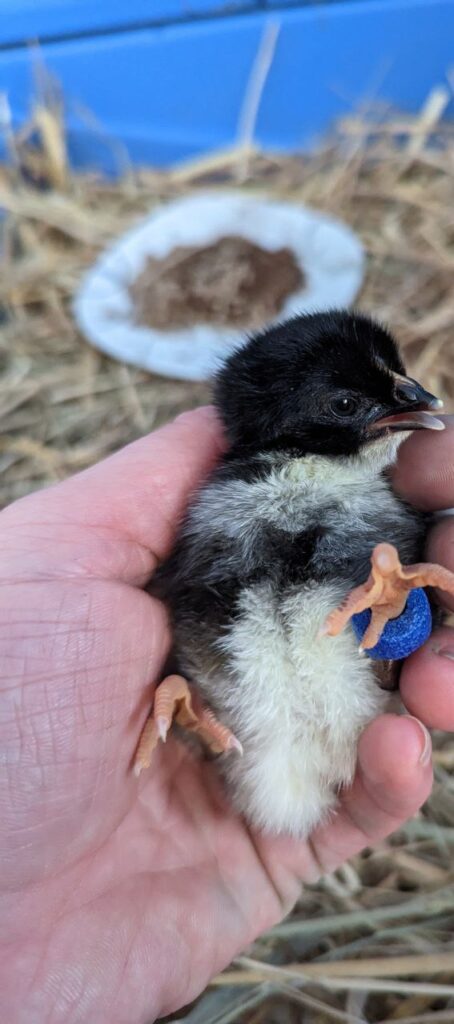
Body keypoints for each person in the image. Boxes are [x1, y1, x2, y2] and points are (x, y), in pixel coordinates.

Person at [1, 407, 453, 1024]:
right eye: (352, 403)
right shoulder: (249, 476)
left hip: (274, 735)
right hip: (273, 740)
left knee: (378, 625)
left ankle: (199, 694)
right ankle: (200, 691)